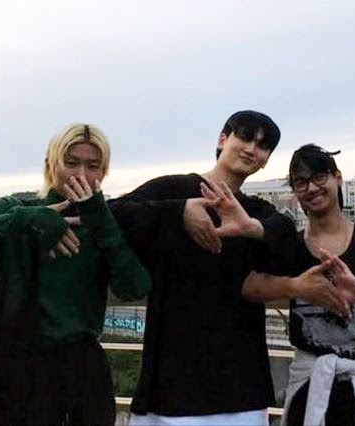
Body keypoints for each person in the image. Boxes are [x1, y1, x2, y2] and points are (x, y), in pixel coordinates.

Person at [0, 123, 151, 426]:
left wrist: (103, 225)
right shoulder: (16, 209)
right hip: (10, 369)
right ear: (51, 164)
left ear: (104, 172)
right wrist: (27, 220)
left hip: (79, 371)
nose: (81, 174)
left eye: (93, 166)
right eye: (71, 162)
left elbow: (134, 286)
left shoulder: (105, 223)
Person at [200, 144, 355, 426]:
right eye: (301, 182)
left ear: (337, 178)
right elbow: (249, 286)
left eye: (319, 177)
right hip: (310, 381)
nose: (311, 188)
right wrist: (297, 287)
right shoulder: (291, 244)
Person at [110, 110, 298, 426]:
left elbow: (289, 241)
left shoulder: (256, 211)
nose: (252, 149)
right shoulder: (172, 189)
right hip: (171, 385)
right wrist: (179, 211)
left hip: (240, 387)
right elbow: (113, 214)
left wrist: (250, 227)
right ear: (222, 139)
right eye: (245, 137)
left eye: (263, 146)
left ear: (266, 160)